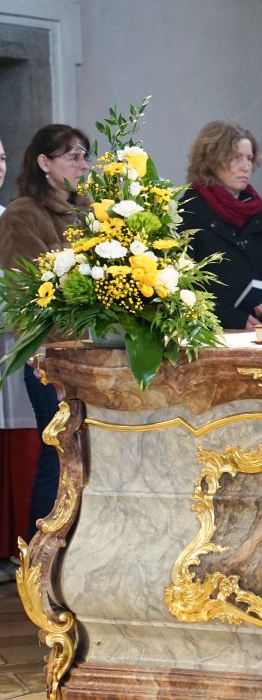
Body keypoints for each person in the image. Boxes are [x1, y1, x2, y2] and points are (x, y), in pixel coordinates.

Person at [0, 124, 90, 550]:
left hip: (92, 353)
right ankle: (39, 557)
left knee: (88, 459)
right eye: (73, 156)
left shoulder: (92, 213)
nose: (83, 165)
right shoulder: (22, 215)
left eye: (85, 156)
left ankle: (81, 551)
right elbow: (27, 295)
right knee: (58, 457)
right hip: (49, 356)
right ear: (44, 162)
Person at [180, 122, 262, 330]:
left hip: (258, 330)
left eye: (249, 158)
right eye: (236, 157)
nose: (246, 166)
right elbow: (182, 286)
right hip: (209, 333)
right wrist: (232, 318)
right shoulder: (188, 213)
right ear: (211, 159)